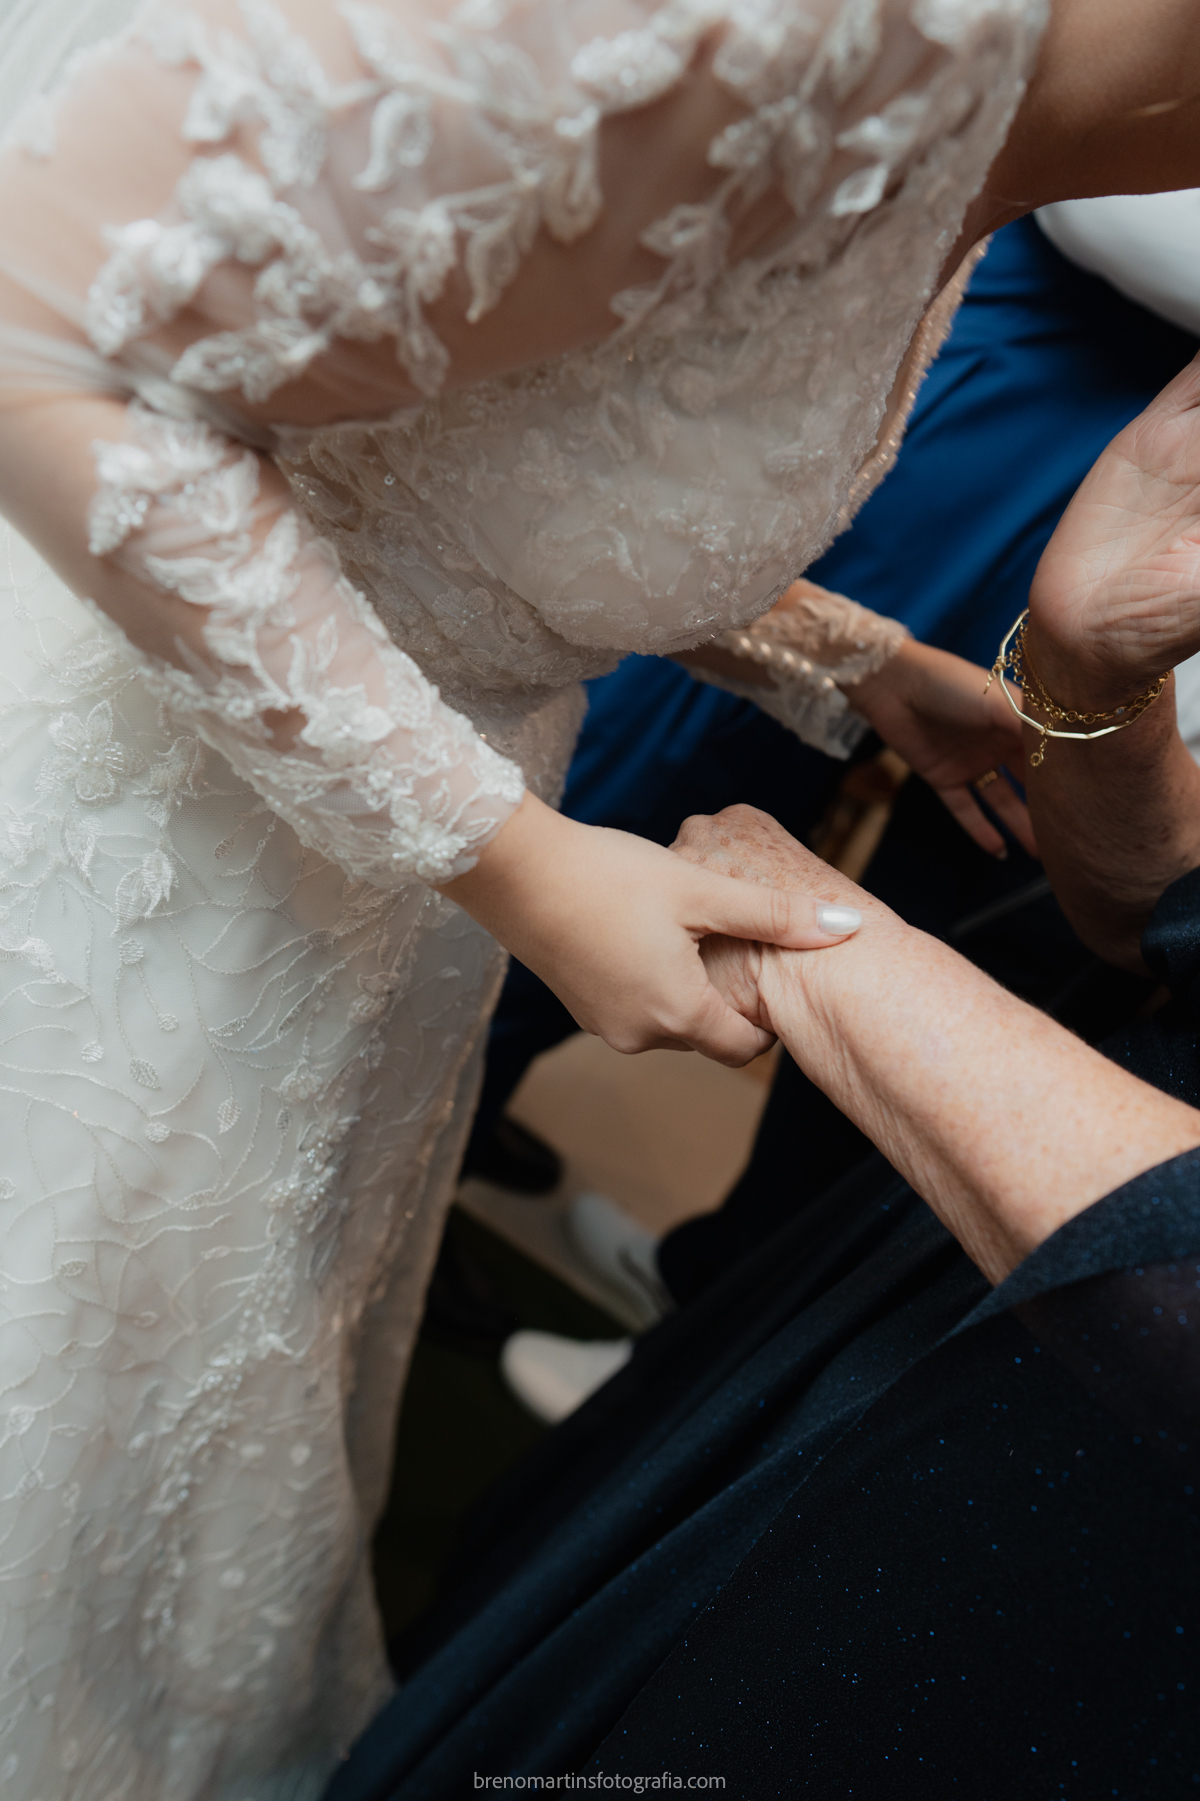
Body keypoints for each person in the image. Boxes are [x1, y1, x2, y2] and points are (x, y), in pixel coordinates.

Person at [0, 1, 1196, 1795]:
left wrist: (848, 657)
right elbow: (48, 355)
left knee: (166, 1424)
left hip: (367, 902)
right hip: (169, 812)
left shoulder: (1005, 128)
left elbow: (485, 461)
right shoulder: (832, 42)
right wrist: (525, 868)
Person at [323, 354, 1200, 1799]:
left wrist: (834, 957)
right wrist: (1090, 668)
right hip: (975, 1265)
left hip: (1093, 1528)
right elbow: (1161, 927)